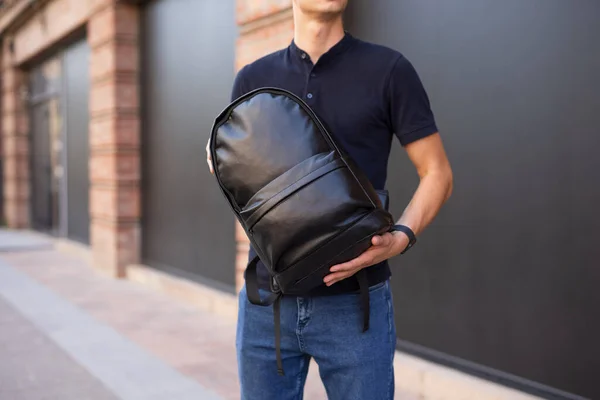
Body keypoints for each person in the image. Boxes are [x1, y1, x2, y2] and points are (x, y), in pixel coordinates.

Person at [207, 0, 453, 398]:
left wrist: (401, 237)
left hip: (356, 305)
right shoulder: (252, 78)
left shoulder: (389, 70)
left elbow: (437, 173)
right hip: (268, 304)